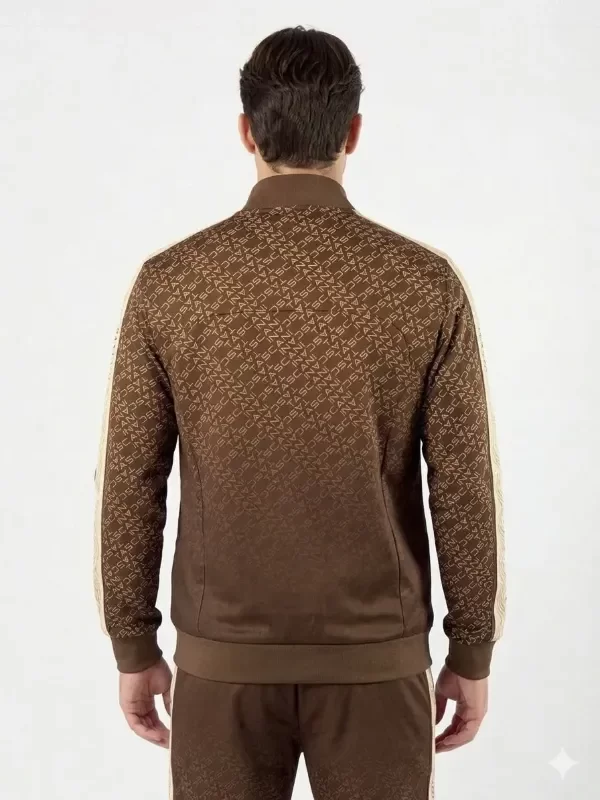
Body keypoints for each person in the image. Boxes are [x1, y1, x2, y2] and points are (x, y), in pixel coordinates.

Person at [94, 25, 505, 800]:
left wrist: (133, 642)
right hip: (377, 666)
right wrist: (472, 650)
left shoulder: (171, 282)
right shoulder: (424, 283)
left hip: (221, 667)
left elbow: (130, 481)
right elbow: (462, 485)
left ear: (246, 132)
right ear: (353, 132)